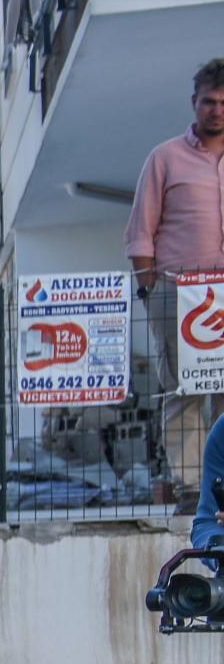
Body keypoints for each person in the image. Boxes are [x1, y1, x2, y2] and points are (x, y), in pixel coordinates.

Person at [127, 58, 224, 477]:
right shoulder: (164, 157)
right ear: (194, 103)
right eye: (208, 102)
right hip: (177, 292)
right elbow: (140, 232)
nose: (216, 110)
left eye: (223, 102)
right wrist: (151, 291)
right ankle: (190, 488)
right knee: (183, 388)